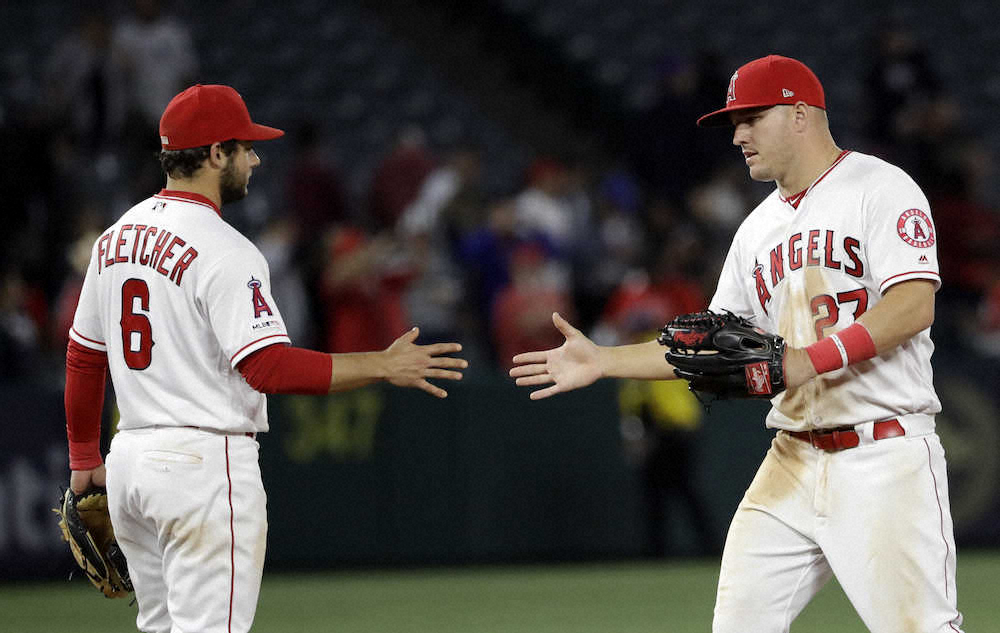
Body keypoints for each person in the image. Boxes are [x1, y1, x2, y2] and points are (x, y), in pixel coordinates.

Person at [510, 55, 964, 632]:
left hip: (883, 453)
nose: (738, 136)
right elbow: (708, 341)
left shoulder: (879, 187)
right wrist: (605, 360)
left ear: (800, 115)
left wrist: (809, 360)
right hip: (792, 457)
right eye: (734, 124)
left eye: (751, 119)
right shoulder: (756, 230)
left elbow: (913, 304)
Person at [63, 84, 468, 633]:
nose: (255, 159)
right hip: (202, 466)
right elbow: (267, 367)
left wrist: (84, 459)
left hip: (131, 460)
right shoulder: (226, 250)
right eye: (245, 147)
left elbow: (84, 356)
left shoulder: (114, 239)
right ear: (215, 153)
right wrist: (383, 364)